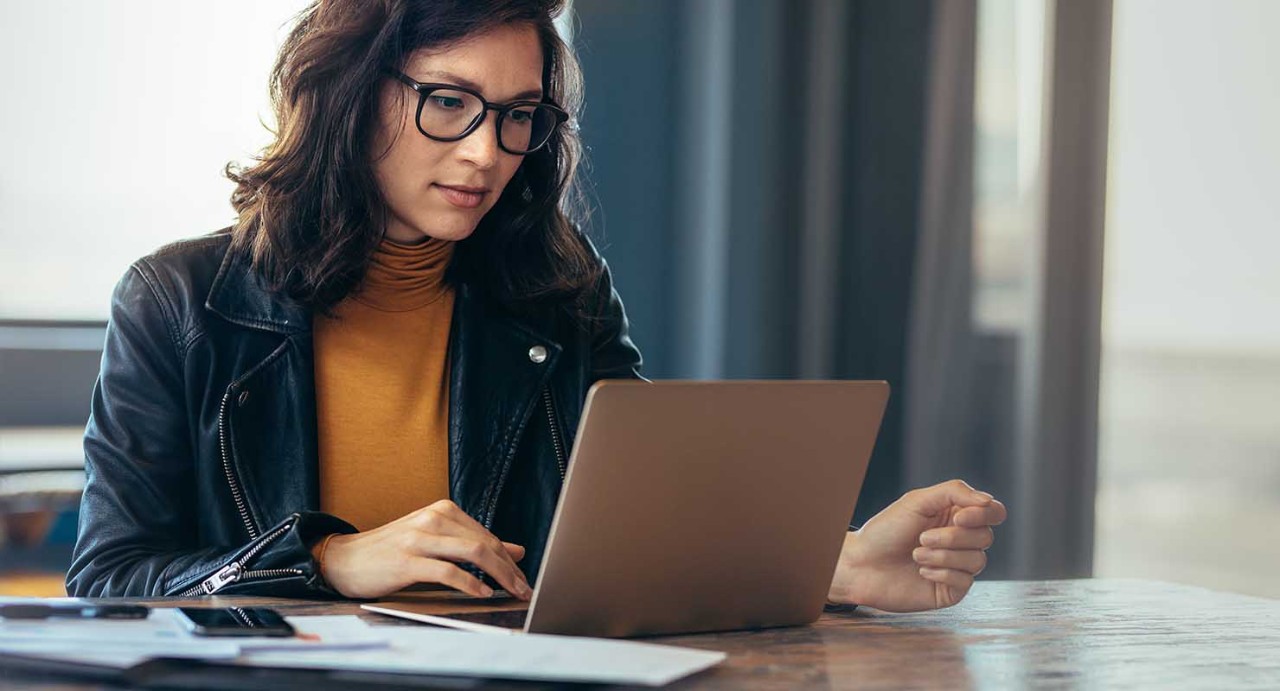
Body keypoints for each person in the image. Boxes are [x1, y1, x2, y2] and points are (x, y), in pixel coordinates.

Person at [66, 0, 1007, 613]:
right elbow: (108, 581)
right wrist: (330, 560)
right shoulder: (180, 301)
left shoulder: (557, 287)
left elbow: (641, 531)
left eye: (520, 114)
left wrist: (833, 564)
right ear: (348, 95)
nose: (487, 152)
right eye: (449, 102)